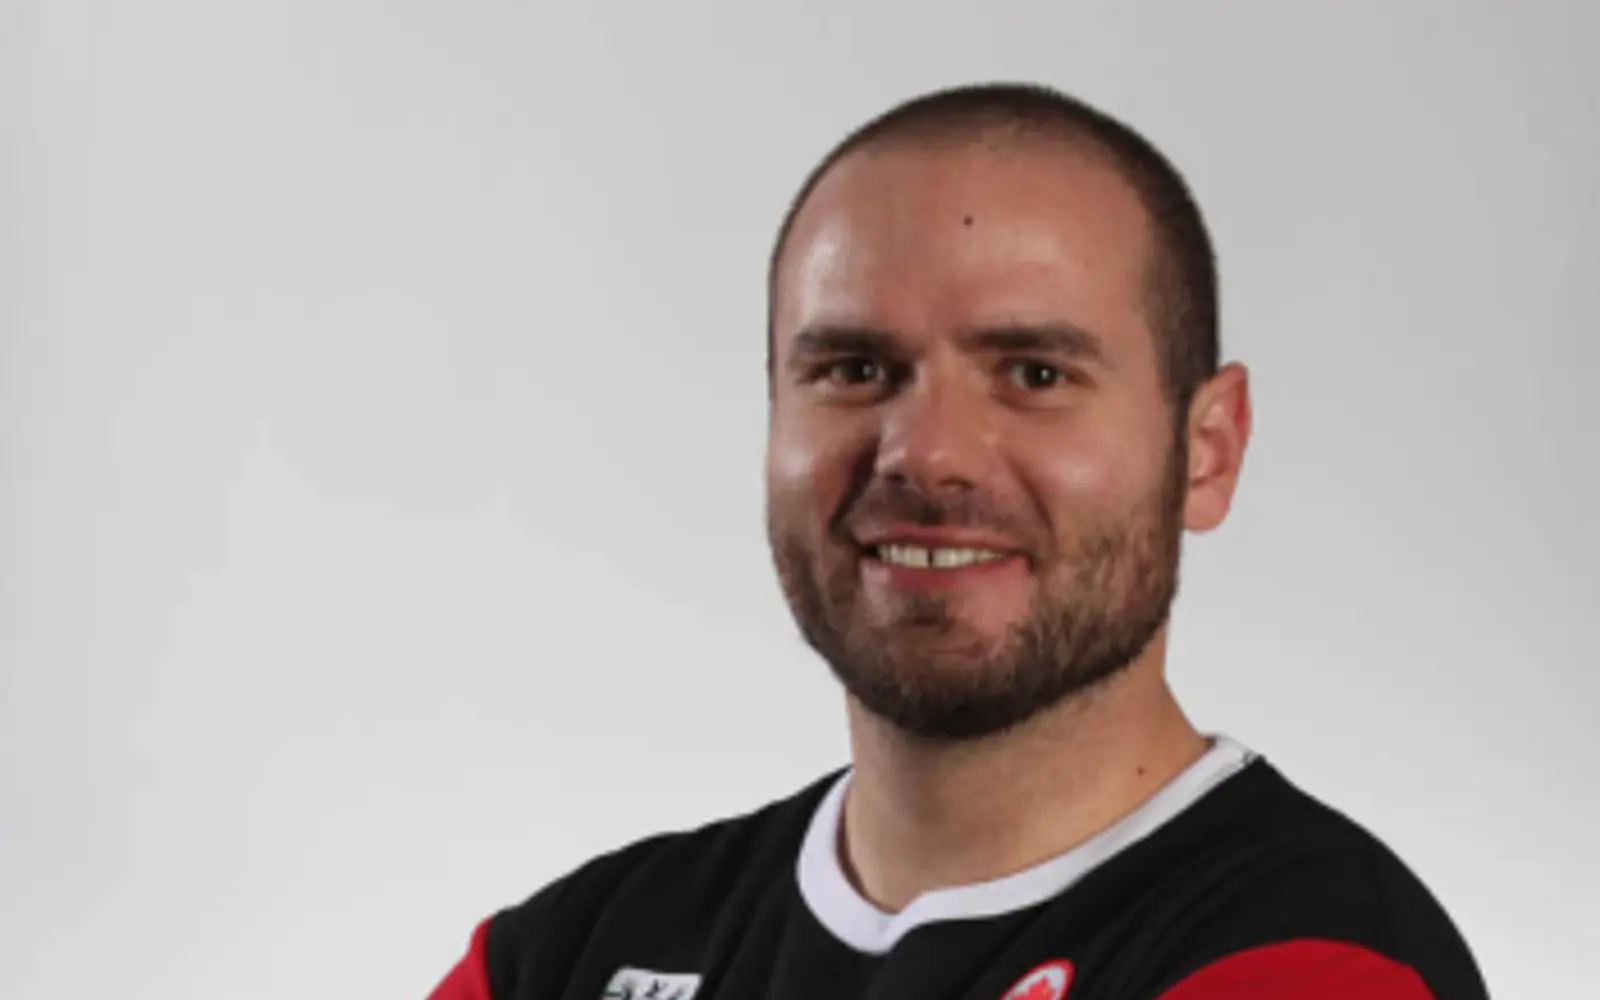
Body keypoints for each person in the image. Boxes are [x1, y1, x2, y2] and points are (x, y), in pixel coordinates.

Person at [426, 82, 1488, 1000]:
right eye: (853, 370)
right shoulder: (567, 953)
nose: (927, 456)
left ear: (1204, 451)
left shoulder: (1313, 960)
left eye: (1034, 374)